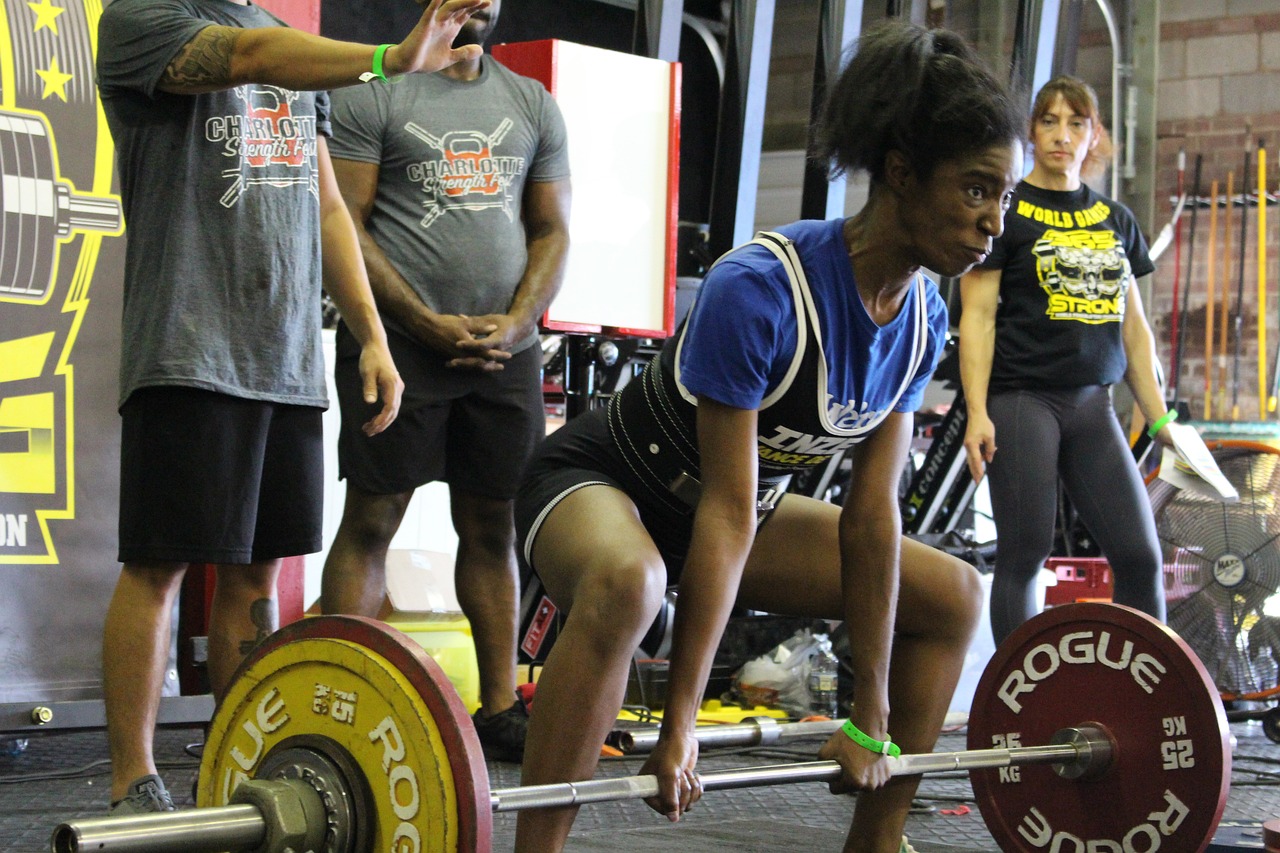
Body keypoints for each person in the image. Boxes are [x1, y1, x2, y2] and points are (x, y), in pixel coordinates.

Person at [511, 20, 1024, 853]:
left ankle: (878, 838)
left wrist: (871, 720)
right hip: (606, 485)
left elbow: (871, 521)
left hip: (735, 511)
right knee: (632, 578)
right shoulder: (761, 289)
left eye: (1002, 197)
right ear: (901, 173)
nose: (993, 222)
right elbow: (727, 510)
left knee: (955, 595)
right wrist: (680, 721)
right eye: (975, 190)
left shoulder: (924, 321)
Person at [95, 0, 490, 815]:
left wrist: (373, 334)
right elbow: (245, 58)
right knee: (159, 564)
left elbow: (329, 206)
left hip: (284, 358)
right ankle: (132, 778)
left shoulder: (286, 43)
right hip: (188, 346)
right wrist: (390, 59)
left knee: (259, 573)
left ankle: (241, 755)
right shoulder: (142, 19)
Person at [320, 0, 570, 762]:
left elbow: (553, 229)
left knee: (494, 525)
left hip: (504, 354)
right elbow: (347, 223)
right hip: (398, 348)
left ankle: (500, 705)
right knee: (372, 519)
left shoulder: (530, 104)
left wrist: (522, 323)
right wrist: (422, 322)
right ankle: (343, 702)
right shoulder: (374, 92)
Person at [959, 75, 1170, 645]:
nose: (1062, 134)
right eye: (1049, 121)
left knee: (1139, 555)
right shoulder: (1009, 211)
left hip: (1091, 405)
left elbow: (1134, 331)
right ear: (1032, 132)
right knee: (1026, 554)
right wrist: (977, 412)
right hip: (1023, 399)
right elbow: (976, 318)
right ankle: (1018, 704)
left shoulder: (1116, 220)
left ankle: (1145, 695)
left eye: (1076, 122)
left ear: (1093, 133)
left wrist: (1161, 418)